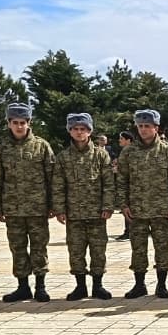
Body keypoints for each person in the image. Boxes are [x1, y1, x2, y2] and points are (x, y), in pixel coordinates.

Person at [0, 103, 55, 304]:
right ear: (9, 123)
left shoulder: (41, 146)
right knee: (17, 248)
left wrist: (53, 205)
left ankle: (40, 287)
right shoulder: (2, 149)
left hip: (38, 209)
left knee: (39, 247)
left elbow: (52, 178)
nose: (19, 126)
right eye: (15, 123)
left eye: (22, 123)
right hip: (13, 209)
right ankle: (23, 287)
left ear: (29, 123)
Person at [52, 112, 116, 300]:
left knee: (98, 251)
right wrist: (60, 209)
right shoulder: (63, 157)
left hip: (97, 214)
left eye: (83, 129)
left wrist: (108, 206)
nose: (79, 132)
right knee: (76, 251)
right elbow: (58, 185)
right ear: (70, 131)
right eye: (75, 129)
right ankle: (80, 286)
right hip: (74, 214)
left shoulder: (100, 155)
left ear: (90, 131)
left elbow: (108, 183)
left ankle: (98, 285)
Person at [118, 109, 168, 299]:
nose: (143, 129)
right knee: (138, 249)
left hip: (162, 209)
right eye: (140, 126)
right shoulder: (129, 152)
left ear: (156, 128)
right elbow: (121, 180)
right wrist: (123, 204)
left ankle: (162, 285)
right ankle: (139, 285)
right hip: (137, 209)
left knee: (162, 248)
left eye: (147, 126)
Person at [115, 131, 135, 240]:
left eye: (122, 138)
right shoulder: (125, 151)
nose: (119, 140)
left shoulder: (131, 151)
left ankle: (129, 231)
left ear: (128, 140)